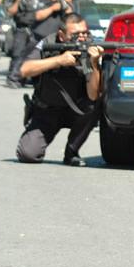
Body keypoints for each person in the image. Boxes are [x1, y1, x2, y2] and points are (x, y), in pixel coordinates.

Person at [15, 13, 103, 167]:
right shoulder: (47, 43)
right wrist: (58, 61)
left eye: (85, 33)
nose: (82, 38)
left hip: (77, 110)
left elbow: (93, 95)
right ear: (62, 36)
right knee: (27, 154)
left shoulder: (90, 49)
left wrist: (94, 64)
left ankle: (72, 152)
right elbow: (24, 70)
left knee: (95, 105)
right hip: (46, 110)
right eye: (76, 34)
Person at [6, 0, 71, 88]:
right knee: (22, 56)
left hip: (51, 38)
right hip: (34, 35)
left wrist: (65, 4)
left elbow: (71, 15)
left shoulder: (58, 3)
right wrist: (53, 8)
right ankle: (14, 77)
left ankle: (33, 79)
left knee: (44, 59)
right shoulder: (41, 2)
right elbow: (37, 15)